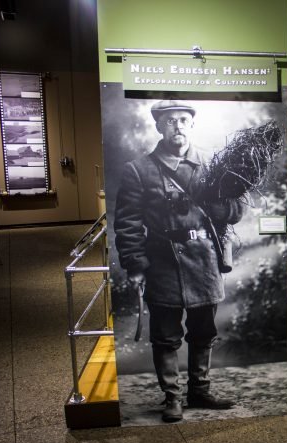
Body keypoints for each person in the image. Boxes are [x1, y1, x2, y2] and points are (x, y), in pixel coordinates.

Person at [114, 100, 245, 423]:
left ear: (192, 124)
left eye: (183, 119)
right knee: (166, 335)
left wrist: (218, 207)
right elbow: (127, 224)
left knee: (203, 332)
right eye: (170, 120)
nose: (178, 126)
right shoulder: (138, 170)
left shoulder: (213, 164)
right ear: (158, 126)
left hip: (204, 261)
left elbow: (239, 208)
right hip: (162, 263)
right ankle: (172, 397)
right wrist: (135, 265)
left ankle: (199, 391)